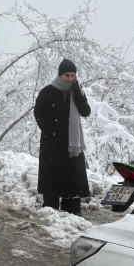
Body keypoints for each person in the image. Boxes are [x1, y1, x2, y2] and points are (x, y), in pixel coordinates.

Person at [34, 58, 91, 216]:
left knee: (72, 176)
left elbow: (85, 111)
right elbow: (38, 112)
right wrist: (48, 128)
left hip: (72, 144)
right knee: (52, 175)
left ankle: (72, 209)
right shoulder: (47, 91)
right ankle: (50, 209)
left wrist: (78, 93)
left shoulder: (77, 91)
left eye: (73, 75)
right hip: (52, 142)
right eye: (67, 75)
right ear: (60, 75)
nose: (70, 79)